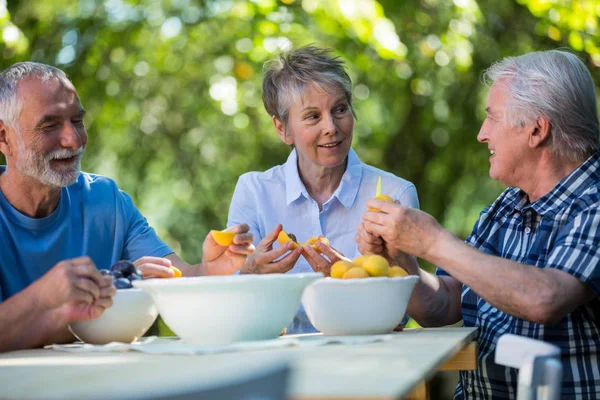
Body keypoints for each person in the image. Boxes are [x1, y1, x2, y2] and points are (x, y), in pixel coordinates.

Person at [358, 49, 600, 398]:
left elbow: (545, 298)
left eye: (492, 118)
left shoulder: (593, 203)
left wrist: (432, 241)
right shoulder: (507, 207)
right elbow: (444, 304)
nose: (482, 134)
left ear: (536, 129)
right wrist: (398, 259)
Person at [0, 62, 254, 351]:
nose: (72, 140)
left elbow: (177, 278)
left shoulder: (106, 200)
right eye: (50, 125)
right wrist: (45, 298)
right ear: (3, 137)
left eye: (77, 122)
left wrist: (209, 270)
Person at [227, 45, 419, 333]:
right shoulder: (254, 191)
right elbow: (232, 307)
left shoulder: (395, 194)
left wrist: (350, 284)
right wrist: (249, 272)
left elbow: (401, 313)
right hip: (279, 364)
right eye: (313, 116)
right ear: (283, 129)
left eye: (340, 109)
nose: (331, 127)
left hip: (367, 362)